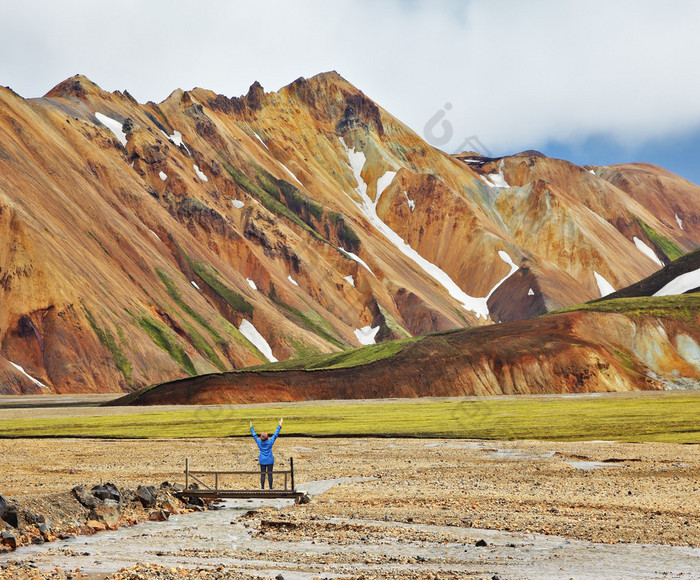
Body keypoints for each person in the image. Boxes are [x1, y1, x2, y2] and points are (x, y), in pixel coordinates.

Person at [250, 418, 283, 489]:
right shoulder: (270, 442)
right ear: (267, 438)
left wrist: (251, 428)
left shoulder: (259, 442)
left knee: (263, 474)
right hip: (270, 460)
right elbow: (275, 434)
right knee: (270, 474)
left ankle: (262, 488)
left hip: (262, 460)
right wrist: (279, 425)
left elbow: (254, 436)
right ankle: (270, 488)